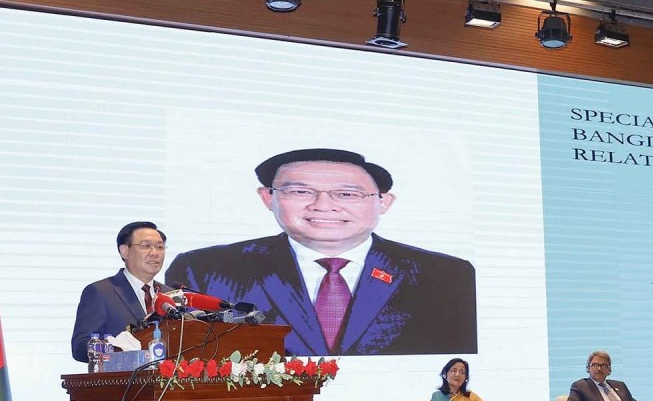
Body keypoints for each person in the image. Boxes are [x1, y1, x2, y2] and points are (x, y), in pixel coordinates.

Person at [166, 148, 477, 356]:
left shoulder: (445, 276)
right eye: (300, 191)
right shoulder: (205, 270)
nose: (323, 205)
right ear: (267, 198)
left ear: (384, 202)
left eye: (347, 193)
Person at [70, 221, 167, 362]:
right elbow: (79, 347)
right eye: (146, 246)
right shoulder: (100, 292)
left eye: (160, 247)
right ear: (124, 251)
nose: (155, 253)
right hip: (122, 382)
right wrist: (117, 348)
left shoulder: (170, 295)